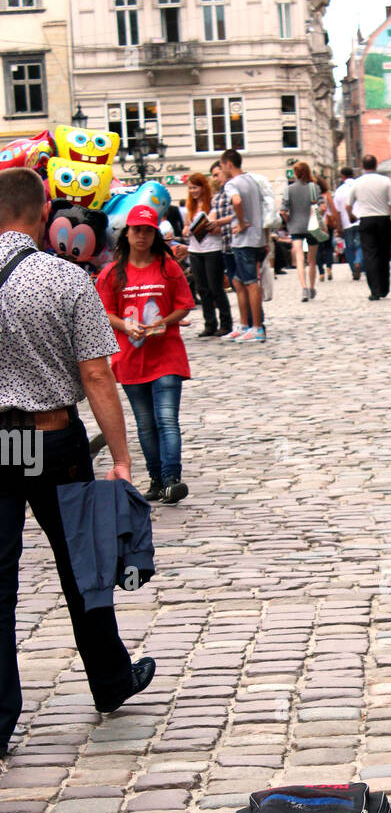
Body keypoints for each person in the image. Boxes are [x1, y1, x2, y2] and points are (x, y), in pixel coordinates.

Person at [0, 166, 155, 754]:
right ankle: (111, 680)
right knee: (80, 563)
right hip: (50, 439)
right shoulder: (65, 279)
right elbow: (96, 373)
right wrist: (120, 456)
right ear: (43, 215)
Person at [96, 204, 195, 505]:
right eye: (137, 230)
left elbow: (184, 304)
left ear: (155, 234)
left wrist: (164, 321)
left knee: (167, 419)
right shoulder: (113, 272)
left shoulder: (168, 268)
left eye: (148, 231)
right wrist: (126, 325)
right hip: (130, 358)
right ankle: (155, 480)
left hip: (167, 355)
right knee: (144, 424)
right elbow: (104, 312)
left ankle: (171, 480)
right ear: (126, 233)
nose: (142, 236)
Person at [219, 148, 265, 342]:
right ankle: (245, 324)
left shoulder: (233, 184)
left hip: (244, 238)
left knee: (250, 283)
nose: (222, 169)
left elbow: (236, 201)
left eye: (222, 165)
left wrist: (242, 221)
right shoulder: (252, 181)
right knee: (239, 281)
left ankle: (257, 327)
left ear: (229, 164)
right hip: (257, 236)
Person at [183, 172, 232, 338]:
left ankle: (226, 323)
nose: (193, 191)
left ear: (203, 187)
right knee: (202, 289)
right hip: (195, 250)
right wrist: (186, 230)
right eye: (190, 188)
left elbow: (218, 229)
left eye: (195, 187)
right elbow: (186, 227)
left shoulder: (213, 203)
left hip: (212, 249)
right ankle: (209, 323)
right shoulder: (190, 207)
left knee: (215, 287)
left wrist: (210, 227)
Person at [345, 155, 391, 302]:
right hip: (383, 219)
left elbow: (348, 205)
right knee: (383, 254)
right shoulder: (385, 181)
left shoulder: (357, 183)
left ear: (363, 166)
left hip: (366, 221)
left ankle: (374, 290)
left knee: (370, 256)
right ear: (376, 165)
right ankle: (384, 288)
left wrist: (351, 216)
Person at [280, 161, 319, 301]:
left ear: (295, 173)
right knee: (312, 260)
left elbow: (283, 210)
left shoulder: (289, 189)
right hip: (312, 226)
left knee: (300, 258)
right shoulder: (313, 187)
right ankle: (312, 287)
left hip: (295, 226)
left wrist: (288, 219)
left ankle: (304, 288)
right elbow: (321, 206)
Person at [208, 160, 236, 332]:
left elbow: (237, 214)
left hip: (237, 242)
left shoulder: (233, 192)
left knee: (243, 284)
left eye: (217, 174)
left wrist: (216, 222)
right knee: (234, 284)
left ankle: (252, 323)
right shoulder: (217, 196)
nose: (215, 178)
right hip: (225, 244)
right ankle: (242, 324)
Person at [334, 166, 362, 279]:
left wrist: (338, 226)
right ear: (353, 174)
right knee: (361, 245)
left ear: (343, 176)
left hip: (346, 223)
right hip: (360, 220)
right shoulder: (359, 186)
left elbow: (337, 211)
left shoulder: (339, 190)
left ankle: (353, 269)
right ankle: (358, 261)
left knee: (349, 247)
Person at [314, 174, 340, 282]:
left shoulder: (313, 195)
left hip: (316, 224)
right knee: (328, 247)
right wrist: (338, 223)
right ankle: (329, 267)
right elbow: (333, 209)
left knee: (318, 249)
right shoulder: (327, 194)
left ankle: (321, 272)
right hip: (327, 224)